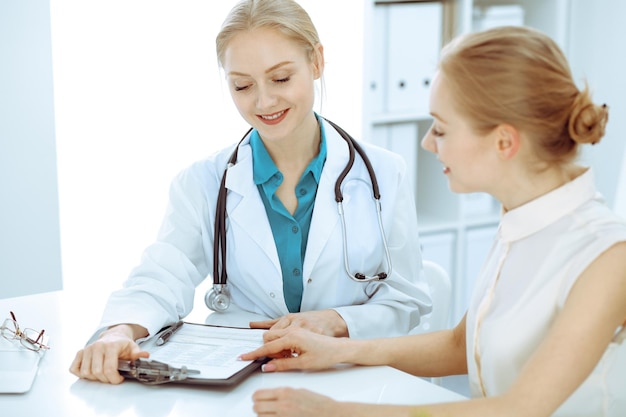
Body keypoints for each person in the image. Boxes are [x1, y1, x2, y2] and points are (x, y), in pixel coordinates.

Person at [240, 25, 626, 417]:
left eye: (441, 128)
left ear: (504, 142)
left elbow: (518, 409)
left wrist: (333, 411)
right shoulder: (523, 223)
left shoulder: (606, 257)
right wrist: (337, 350)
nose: (427, 143)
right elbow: (463, 345)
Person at [69, 0, 431, 384]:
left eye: (280, 79)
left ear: (317, 62)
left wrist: (338, 321)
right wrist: (118, 332)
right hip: (244, 380)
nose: (263, 102)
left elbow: (407, 299)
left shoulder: (383, 174)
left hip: (348, 374)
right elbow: (161, 276)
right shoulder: (204, 182)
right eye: (242, 85)